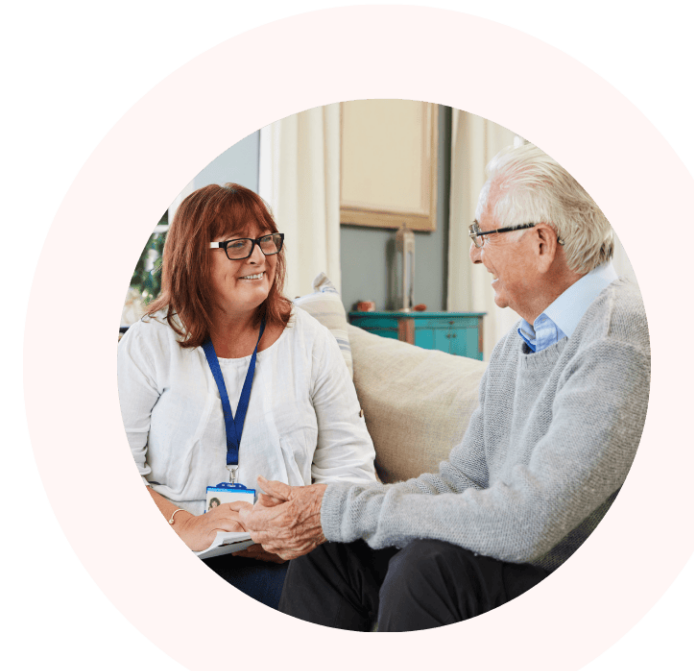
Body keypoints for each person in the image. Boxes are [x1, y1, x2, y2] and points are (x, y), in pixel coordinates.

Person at [238, 144, 651, 632]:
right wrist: (331, 513)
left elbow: (527, 521)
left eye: (484, 235)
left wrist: (338, 508)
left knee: (428, 571)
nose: (476, 254)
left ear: (542, 243)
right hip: (516, 563)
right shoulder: (520, 343)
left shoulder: (618, 337)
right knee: (333, 554)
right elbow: (460, 480)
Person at [117, 183, 376, 609]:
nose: (259, 257)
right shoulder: (149, 343)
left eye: (266, 240)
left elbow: (352, 473)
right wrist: (185, 525)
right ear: (193, 258)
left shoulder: (309, 339)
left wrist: (300, 528)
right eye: (237, 244)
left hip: (292, 559)